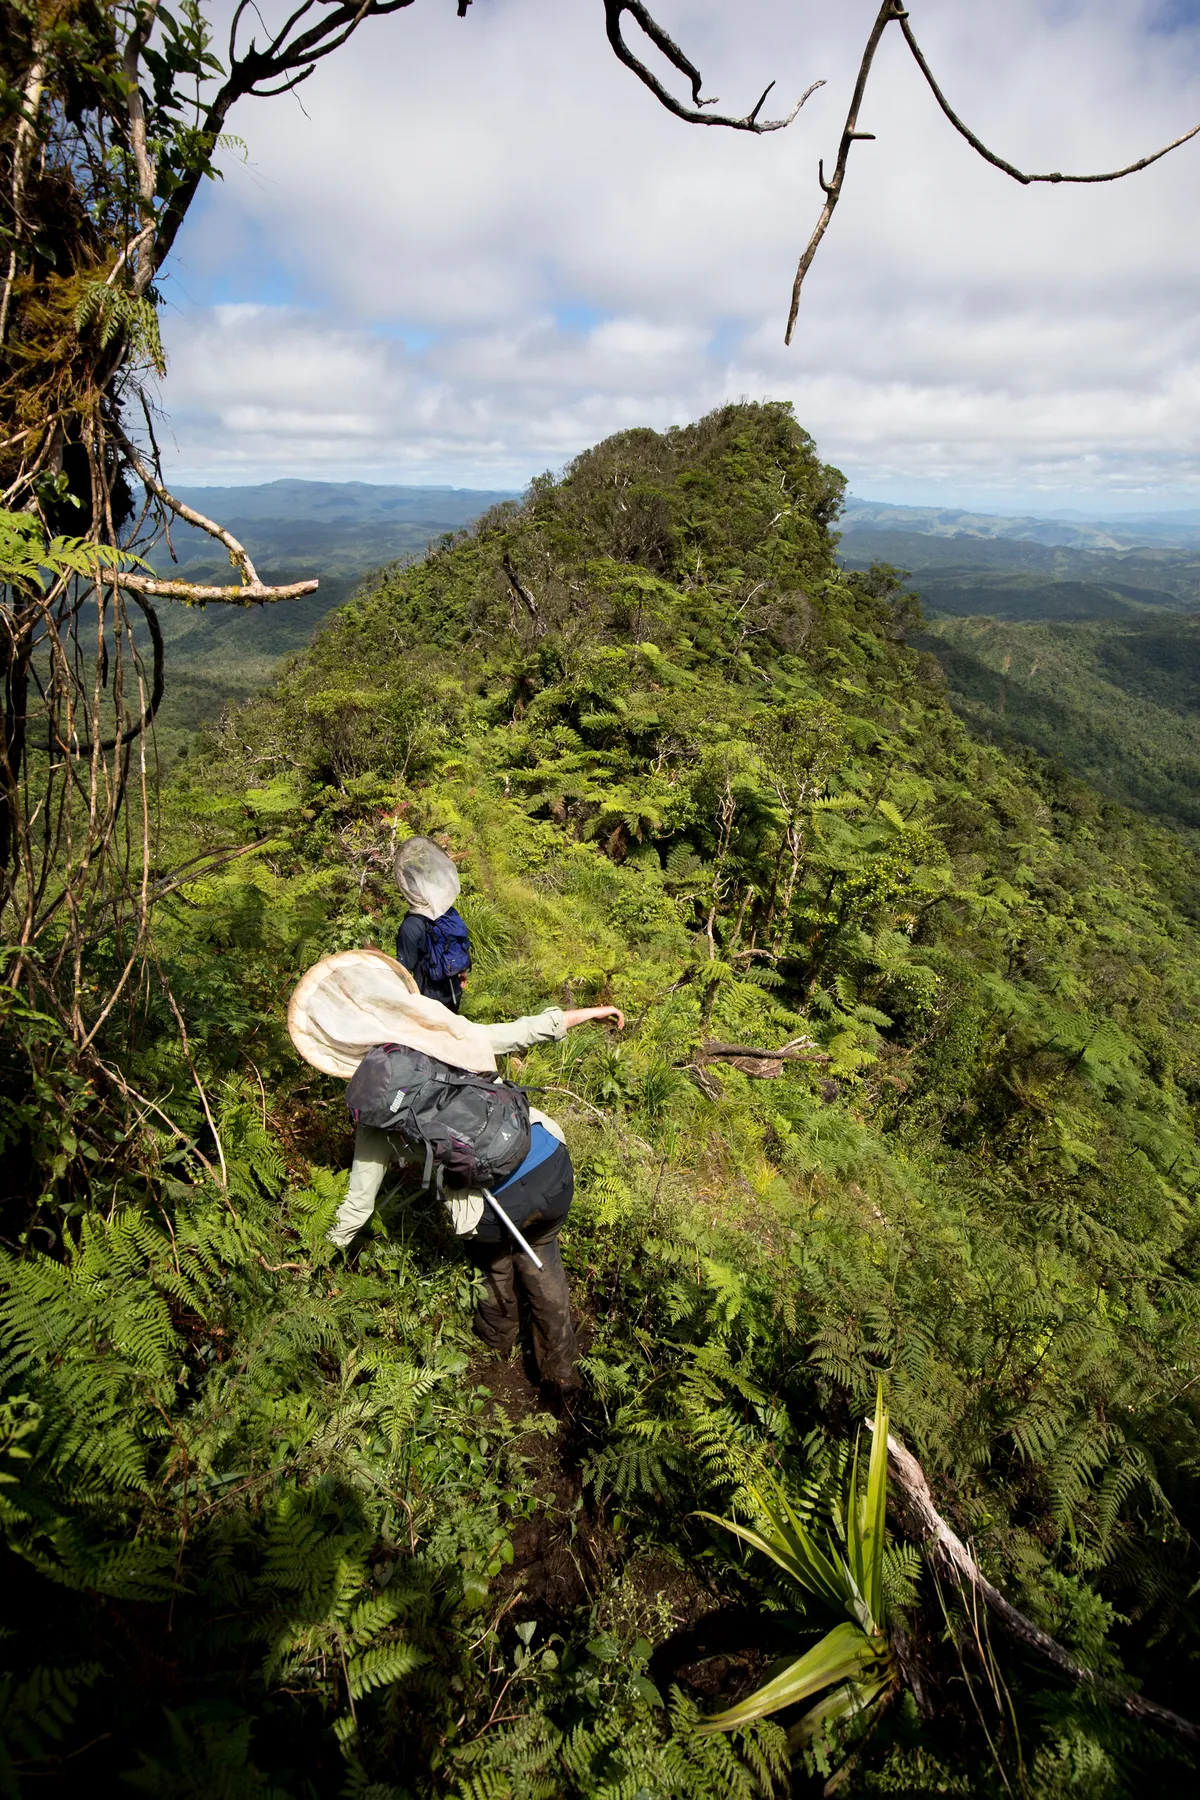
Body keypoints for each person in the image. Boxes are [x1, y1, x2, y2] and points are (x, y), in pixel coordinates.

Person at [330, 1001, 622, 1392]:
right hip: (549, 1163)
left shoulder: (375, 1117)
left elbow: (358, 1207)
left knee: (496, 1262)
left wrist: (320, 1254)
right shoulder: (448, 1037)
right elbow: (525, 1029)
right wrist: (589, 1013)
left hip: (490, 1210)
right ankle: (561, 1370)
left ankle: (498, 1344)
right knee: (542, 1255)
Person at [393, 835, 472, 1011]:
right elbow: (456, 942)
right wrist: (461, 972)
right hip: (453, 993)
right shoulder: (446, 912)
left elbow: (403, 971)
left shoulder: (411, 926)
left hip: (429, 1003)